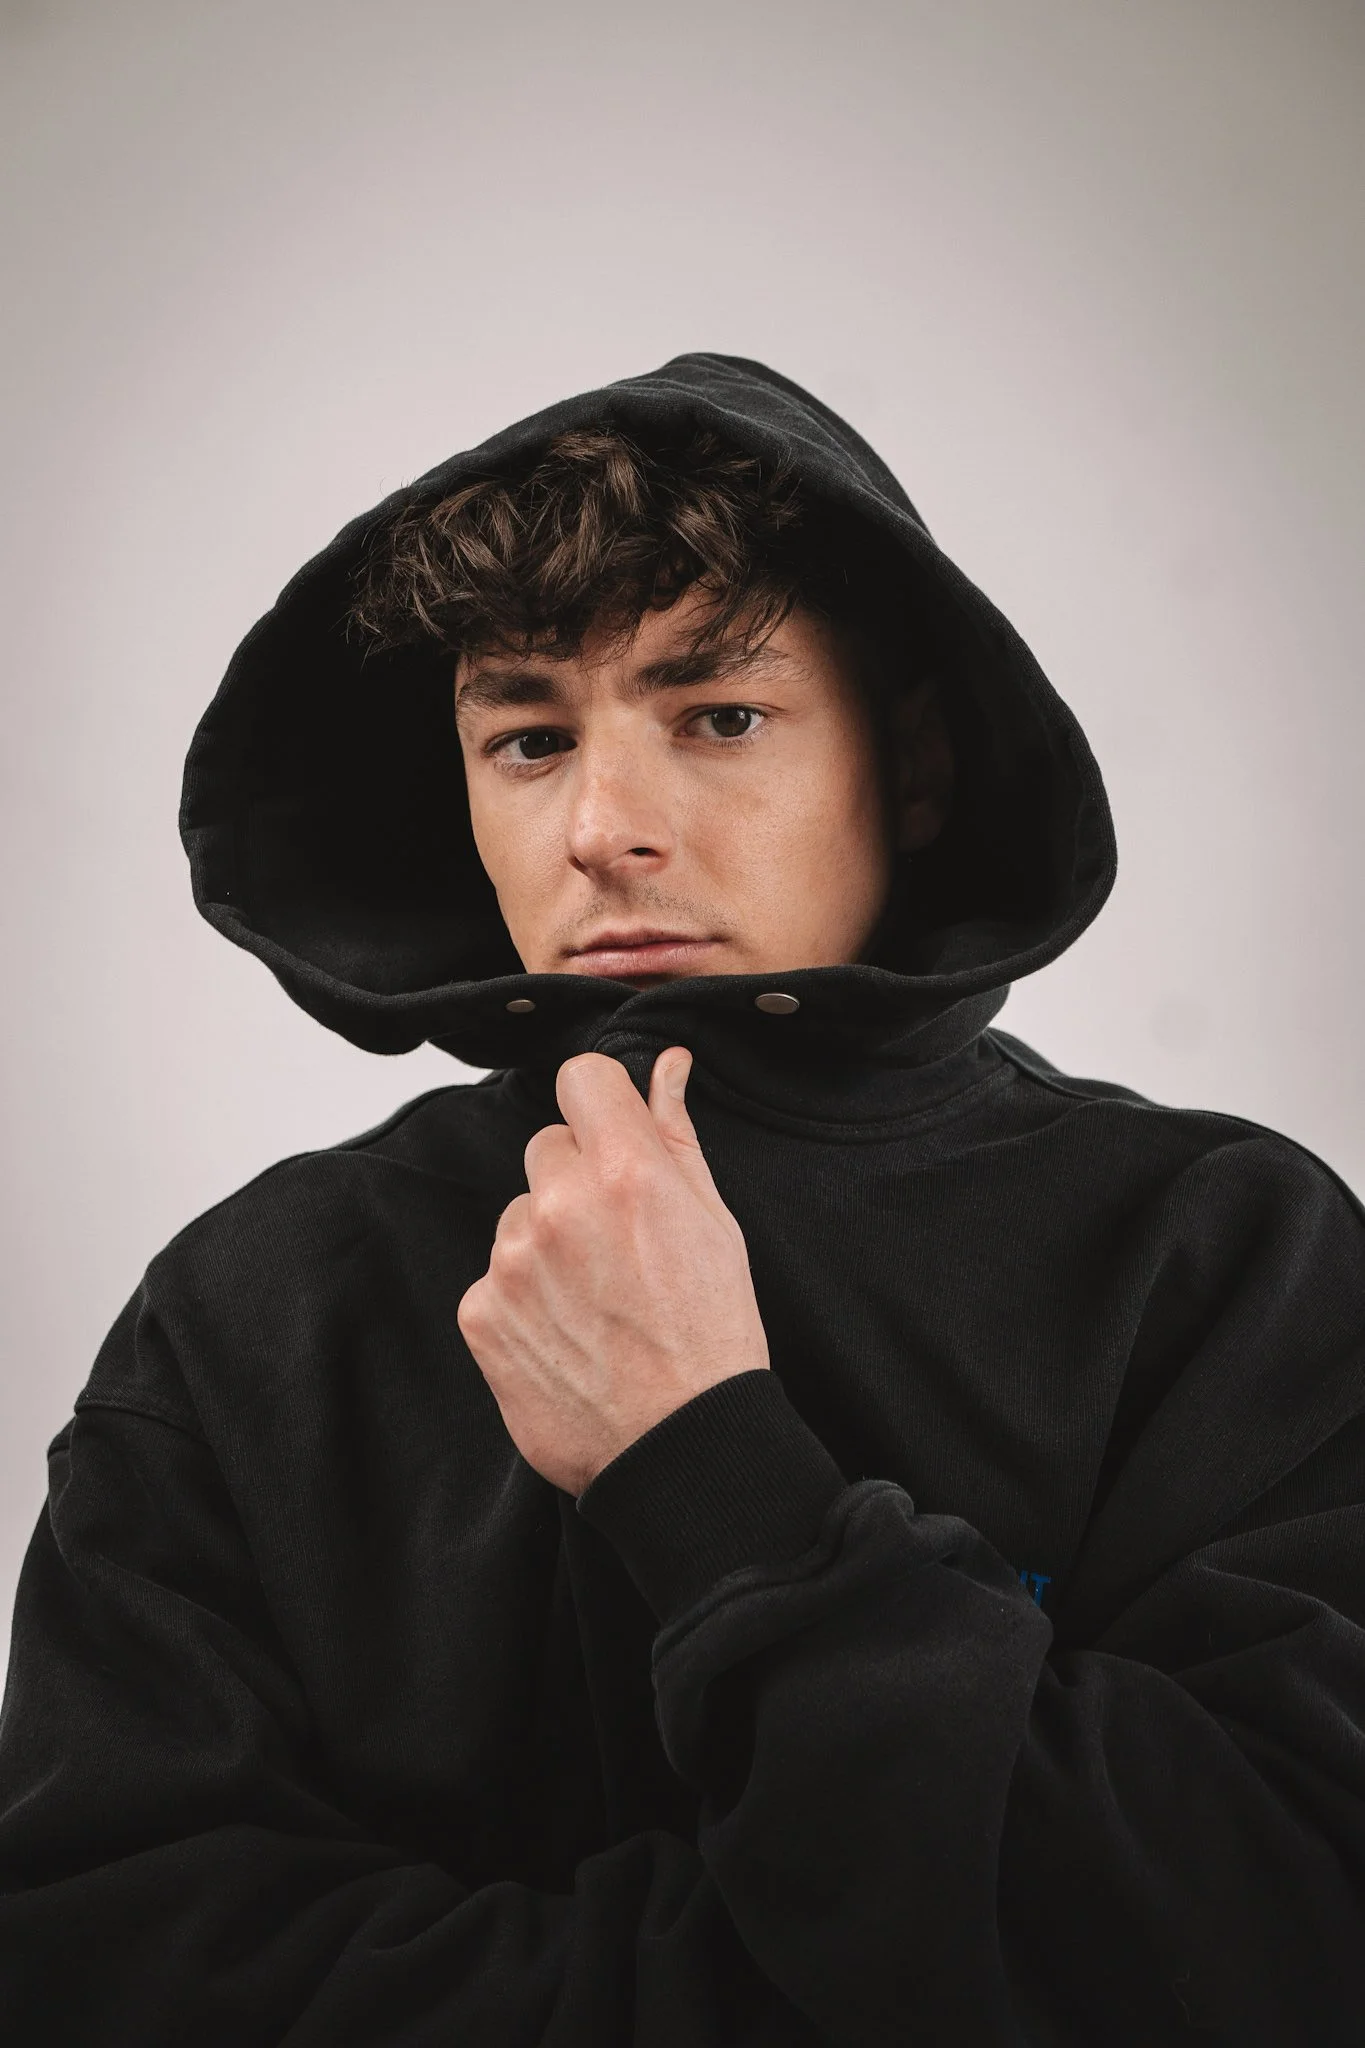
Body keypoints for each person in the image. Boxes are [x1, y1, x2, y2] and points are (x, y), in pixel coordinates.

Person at [1, 352, 1362, 2046]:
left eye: (719, 716)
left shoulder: (1231, 1253)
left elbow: (1288, 1930)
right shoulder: (246, 1315)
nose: (602, 825)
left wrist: (704, 1464)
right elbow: (109, 1961)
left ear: (915, 764)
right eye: (527, 736)